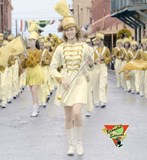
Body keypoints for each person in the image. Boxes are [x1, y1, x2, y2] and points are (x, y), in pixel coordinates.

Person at [50, 0, 93, 156]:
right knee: (67, 116)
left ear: (76, 30)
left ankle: (79, 142)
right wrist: (61, 79)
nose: (69, 32)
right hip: (66, 82)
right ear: (64, 32)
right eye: (67, 30)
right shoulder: (60, 48)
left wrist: (90, 63)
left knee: (76, 113)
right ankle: (70, 145)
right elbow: (52, 68)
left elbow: (91, 66)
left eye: (72, 29)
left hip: (80, 81)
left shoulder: (86, 47)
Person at [24, 32, 44, 117]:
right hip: (29, 72)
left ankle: (35, 110)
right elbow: (25, 65)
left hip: (36, 71)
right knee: (32, 92)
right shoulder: (27, 51)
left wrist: (27, 57)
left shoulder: (38, 51)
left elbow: (34, 63)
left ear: (35, 41)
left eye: (31, 40)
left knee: (34, 91)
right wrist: (21, 58)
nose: (30, 42)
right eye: (29, 40)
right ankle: (36, 107)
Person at [93, 32, 111, 108]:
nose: (95, 41)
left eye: (97, 40)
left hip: (103, 66)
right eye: (95, 40)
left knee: (103, 84)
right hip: (95, 67)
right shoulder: (92, 49)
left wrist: (104, 58)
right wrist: (94, 61)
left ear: (101, 40)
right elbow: (89, 59)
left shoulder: (106, 49)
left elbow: (109, 58)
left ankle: (103, 101)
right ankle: (96, 101)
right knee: (95, 84)